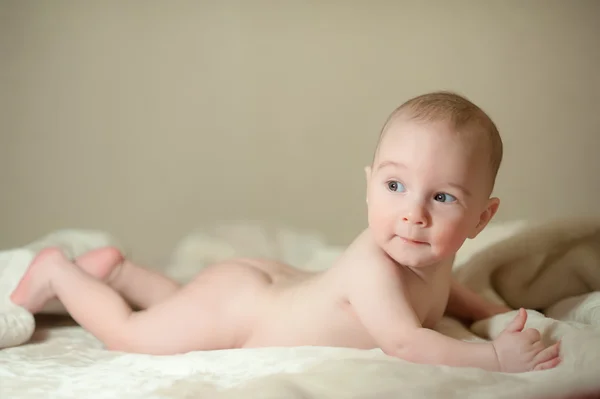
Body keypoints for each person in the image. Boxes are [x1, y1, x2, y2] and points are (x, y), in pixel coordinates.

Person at [10, 91, 561, 372]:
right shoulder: (376, 264)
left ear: (480, 219)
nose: (413, 213)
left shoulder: (423, 255)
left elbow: (451, 291)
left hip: (261, 289)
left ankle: (121, 272)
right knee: (132, 337)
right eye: (395, 187)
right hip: (243, 306)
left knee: (184, 308)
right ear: (370, 185)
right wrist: (492, 359)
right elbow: (404, 340)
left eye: (442, 198)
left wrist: (489, 313)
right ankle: (59, 271)